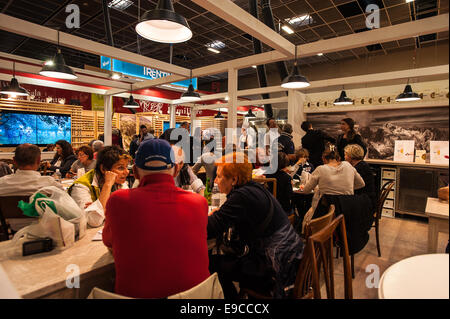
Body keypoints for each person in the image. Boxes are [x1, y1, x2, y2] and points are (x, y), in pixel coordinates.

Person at [102, 139, 210, 298]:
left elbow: (108, 241)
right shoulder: (199, 202)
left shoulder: (118, 201)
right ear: (175, 170)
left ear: (136, 173)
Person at [208, 152, 303, 299]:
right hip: (290, 259)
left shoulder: (241, 196)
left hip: (273, 269)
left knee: (212, 264)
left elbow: (210, 228)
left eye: (219, 176)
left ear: (234, 179)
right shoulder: (254, 188)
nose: (215, 181)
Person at [68, 145, 130, 228]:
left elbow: (128, 211)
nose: (127, 172)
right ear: (104, 169)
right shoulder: (81, 186)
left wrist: (100, 207)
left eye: (127, 167)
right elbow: (93, 221)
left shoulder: (119, 182)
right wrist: (107, 185)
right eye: (121, 168)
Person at [302, 149, 365, 217]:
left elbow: (306, 190)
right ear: (338, 158)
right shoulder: (348, 165)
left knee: (308, 215)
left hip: (327, 208)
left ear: (323, 159)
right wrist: (345, 187)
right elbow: (361, 184)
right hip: (348, 207)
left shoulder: (320, 169)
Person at [344, 144, 376, 210]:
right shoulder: (362, 164)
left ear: (351, 156)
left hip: (365, 202)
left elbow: (350, 186)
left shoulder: (359, 168)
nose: (344, 157)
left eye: (346, 155)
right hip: (367, 198)